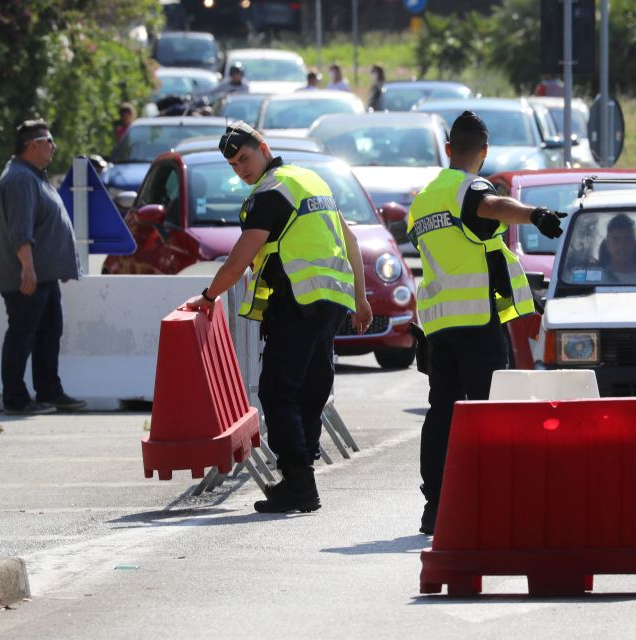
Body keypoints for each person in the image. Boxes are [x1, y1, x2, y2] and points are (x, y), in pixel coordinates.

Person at [184, 121, 372, 513]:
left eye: (245, 158)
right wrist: (360, 297)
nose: (242, 169)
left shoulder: (268, 194)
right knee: (309, 390)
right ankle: (301, 479)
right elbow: (349, 240)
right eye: (234, 165)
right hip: (331, 301)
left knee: (276, 391)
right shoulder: (311, 180)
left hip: (297, 299)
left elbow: (239, 258)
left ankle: (298, 483)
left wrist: (208, 295)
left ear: (263, 148)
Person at [408, 111, 566, 534]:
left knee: (442, 410)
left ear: (447, 149)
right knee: (489, 412)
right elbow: (491, 204)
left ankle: (437, 506)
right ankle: (491, 500)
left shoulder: (421, 202)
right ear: (484, 152)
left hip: (439, 325)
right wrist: (535, 215)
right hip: (478, 320)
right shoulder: (469, 186)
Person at [0, 120, 85, 415]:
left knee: (48, 332)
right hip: (26, 277)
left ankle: (48, 390)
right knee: (22, 334)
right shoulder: (20, 179)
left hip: (41, 275)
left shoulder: (32, 175)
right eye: (48, 140)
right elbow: (20, 230)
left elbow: (44, 224)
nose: (53, 146)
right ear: (31, 145)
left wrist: (55, 263)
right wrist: (28, 268)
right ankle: (15, 399)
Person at [598, 213, 636, 283]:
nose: (622, 246)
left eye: (627, 239)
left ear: (635, 244)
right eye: (616, 240)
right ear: (607, 244)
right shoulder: (596, 278)